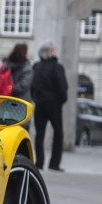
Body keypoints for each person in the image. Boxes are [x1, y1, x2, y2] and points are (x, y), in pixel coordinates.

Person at [31, 42, 68, 171]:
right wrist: (61, 101)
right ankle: (54, 163)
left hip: (40, 103)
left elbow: (32, 85)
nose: (55, 52)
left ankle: (39, 162)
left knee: (39, 134)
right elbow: (62, 87)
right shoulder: (57, 67)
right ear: (50, 52)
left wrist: (35, 98)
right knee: (58, 133)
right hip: (54, 104)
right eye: (53, 50)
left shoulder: (36, 66)